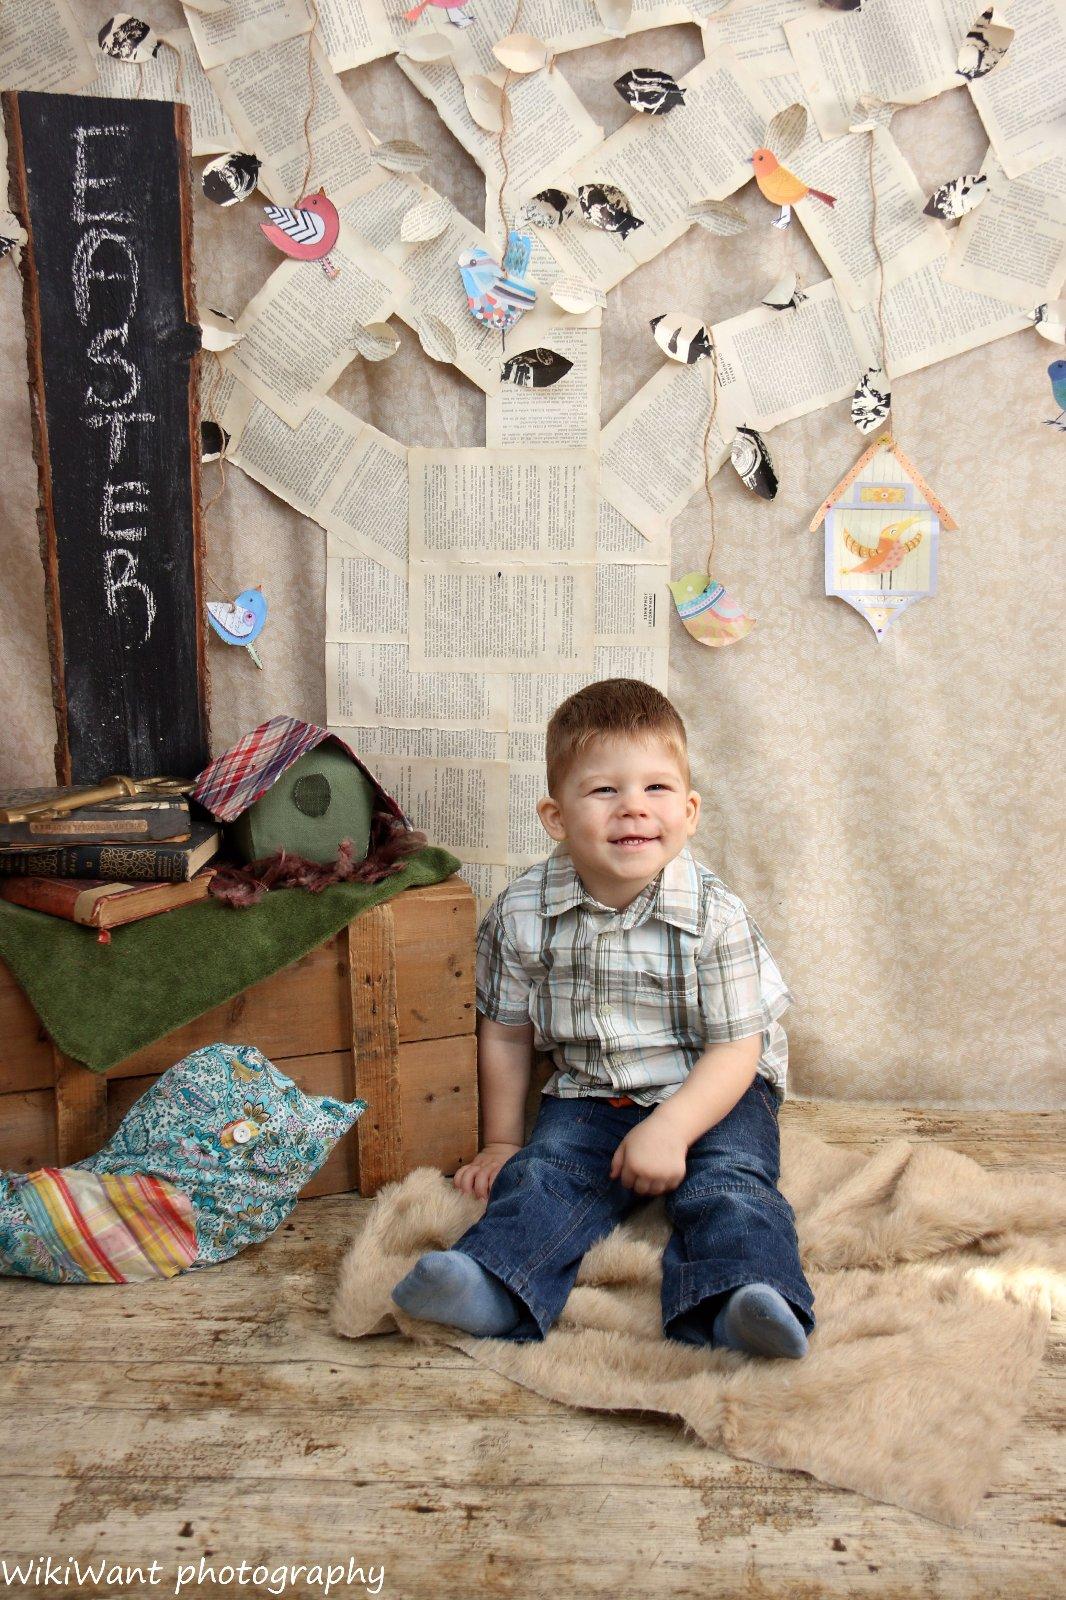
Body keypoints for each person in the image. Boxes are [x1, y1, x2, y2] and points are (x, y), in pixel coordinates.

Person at [392, 680, 814, 1358]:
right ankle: (492, 1281)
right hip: (593, 1089)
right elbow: (506, 1034)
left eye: (656, 788)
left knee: (730, 1180)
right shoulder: (522, 913)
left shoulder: (717, 916)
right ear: (556, 817)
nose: (633, 808)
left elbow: (738, 1049)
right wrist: (501, 1142)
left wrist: (672, 1128)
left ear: (690, 811)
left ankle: (741, 1296)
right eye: (604, 790)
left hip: (715, 1087)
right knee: (545, 1174)